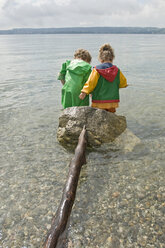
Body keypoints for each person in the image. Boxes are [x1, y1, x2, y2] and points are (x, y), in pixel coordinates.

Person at [79, 43, 128, 113]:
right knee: (111, 118)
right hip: (112, 101)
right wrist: (123, 85)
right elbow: (123, 83)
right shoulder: (117, 70)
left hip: (98, 101)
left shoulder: (96, 69)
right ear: (112, 58)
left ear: (100, 59)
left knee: (98, 118)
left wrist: (84, 92)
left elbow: (91, 82)